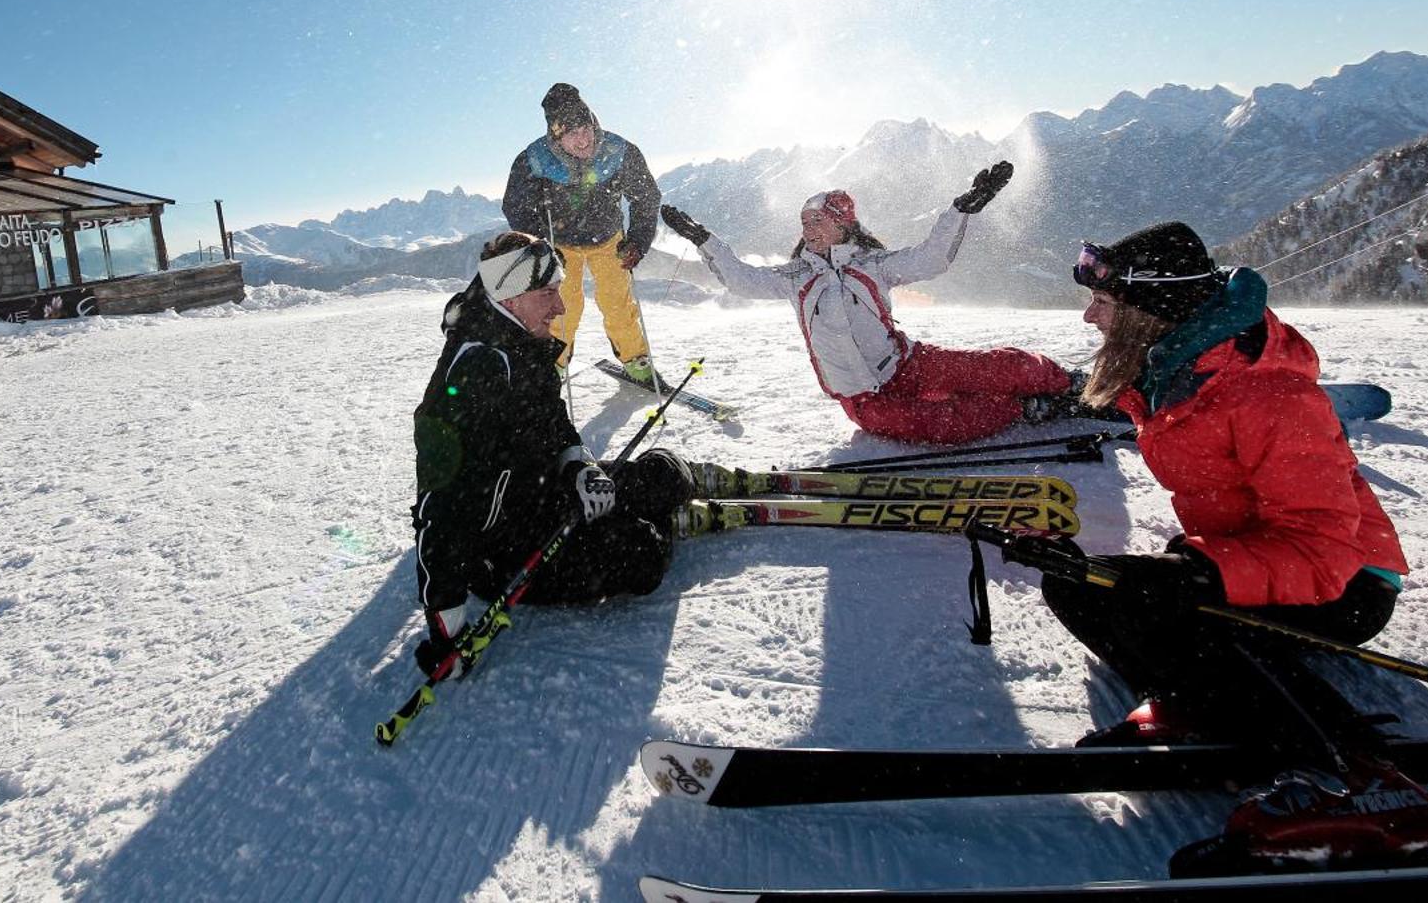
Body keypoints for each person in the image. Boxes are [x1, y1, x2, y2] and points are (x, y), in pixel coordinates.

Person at [1044, 222, 1428, 871]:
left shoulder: (1267, 391)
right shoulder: (1170, 368)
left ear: (1153, 308)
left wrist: (1203, 572)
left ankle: (1350, 774)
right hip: (1250, 553)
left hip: (1347, 579)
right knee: (1077, 583)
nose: (1090, 314)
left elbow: (1323, 549)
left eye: (1105, 302)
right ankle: (1206, 701)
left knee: (1161, 606)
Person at [408, 231, 693, 677]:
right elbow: (438, 509)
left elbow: (551, 418)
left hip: (541, 490)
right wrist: (447, 631)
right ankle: (662, 522)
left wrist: (579, 466)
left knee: (664, 473)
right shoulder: (474, 373)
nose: (560, 307)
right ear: (511, 293)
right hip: (503, 552)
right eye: (547, 293)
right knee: (643, 554)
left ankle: (664, 499)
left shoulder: (518, 337)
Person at [657, 165, 1072, 444]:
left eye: (817, 220)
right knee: (942, 423)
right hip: (861, 397)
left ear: (842, 225)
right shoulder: (794, 278)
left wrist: (960, 210)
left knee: (996, 368)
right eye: (804, 222)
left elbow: (932, 258)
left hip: (907, 363)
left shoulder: (873, 265)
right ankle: (1025, 407)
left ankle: (1066, 382)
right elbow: (743, 281)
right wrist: (703, 239)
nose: (808, 228)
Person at [502, 83, 662, 383]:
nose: (583, 140)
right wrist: (543, 245)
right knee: (563, 307)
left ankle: (635, 359)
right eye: (572, 133)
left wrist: (637, 242)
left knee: (618, 302)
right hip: (560, 245)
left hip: (609, 239)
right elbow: (516, 207)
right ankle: (554, 363)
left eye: (586, 128)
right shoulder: (534, 160)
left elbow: (645, 197)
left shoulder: (618, 151)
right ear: (556, 135)